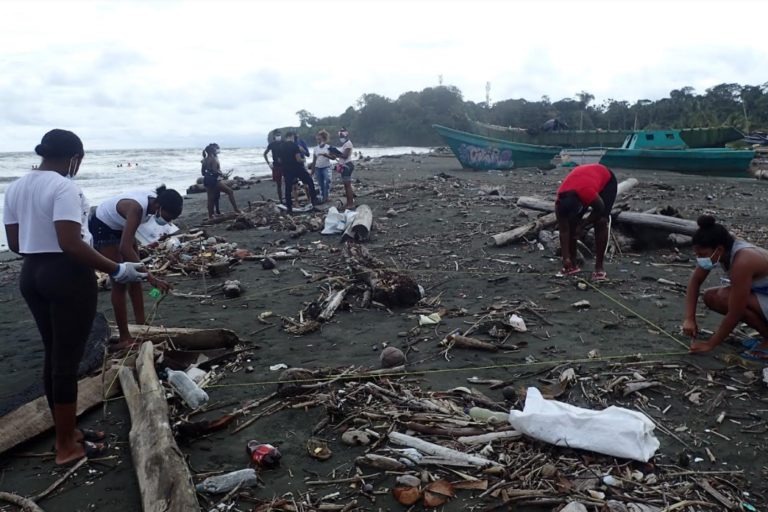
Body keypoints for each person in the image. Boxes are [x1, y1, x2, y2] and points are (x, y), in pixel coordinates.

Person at [3, 129, 158, 465]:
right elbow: (71, 243)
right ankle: (65, 447)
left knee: (55, 353)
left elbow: (14, 244)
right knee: (66, 359)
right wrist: (117, 270)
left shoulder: (15, 186)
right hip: (66, 276)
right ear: (75, 157)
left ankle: (68, 431)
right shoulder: (64, 187)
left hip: (31, 274)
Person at [89, 185, 183, 349]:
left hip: (121, 225)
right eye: (168, 217)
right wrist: (151, 278)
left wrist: (145, 274)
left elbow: (131, 241)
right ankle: (124, 337)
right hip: (102, 226)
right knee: (120, 280)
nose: (167, 222)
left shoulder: (155, 201)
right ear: (159, 207)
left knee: (136, 277)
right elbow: (124, 248)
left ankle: (142, 325)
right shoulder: (137, 209)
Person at [682, 215, 768, 360]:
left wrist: (711, 344)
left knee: (728, 299)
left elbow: (736, 311)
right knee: (711, 297)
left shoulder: (743, 261)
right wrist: (689, 318)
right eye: (697, 254)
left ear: (719, 249)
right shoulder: (723, 250)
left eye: (702, 254)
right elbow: (695, 281)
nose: (699, 258)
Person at [554, 163, 617, 281]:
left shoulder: (586, 193)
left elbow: (600, 209)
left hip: (605, 178)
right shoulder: (559, 204)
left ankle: (599, 268)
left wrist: (583, 225)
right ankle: (571, 264)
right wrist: (565, 257)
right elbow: (564, 231)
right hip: (583, 180)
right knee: (572, 223)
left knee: (601, 221)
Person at [276, 131, 319, 213]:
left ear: (285, 137)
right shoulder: (294, 146)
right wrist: (304, 159)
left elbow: (279, 160)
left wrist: (286, 162)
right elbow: (298, 159)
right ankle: (314, 201)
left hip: (286, 170)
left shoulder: (280, 147)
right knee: (309, 182)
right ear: (291, 137)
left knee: (288, 189)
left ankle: (289, 208)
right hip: (297, 168)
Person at [202, 143, 240, 219]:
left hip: (206, 179)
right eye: (216, 150)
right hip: (213, 180)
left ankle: (210, 216)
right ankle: (236, 209)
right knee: (230, 191)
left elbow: (203, 173)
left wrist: (210, 173)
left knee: (210, 198)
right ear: (213, 151)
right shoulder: (214, 159)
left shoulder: (204, 160)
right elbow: (215, 171)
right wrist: (222, 175)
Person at [326, 128, 355, 209]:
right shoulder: (345, 144)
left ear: (345, 135)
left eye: (342, 135)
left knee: (348, 185)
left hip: (347, 165)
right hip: (345, 165)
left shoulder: (348, 144)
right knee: (346, 186)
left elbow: (345, 156)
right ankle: (349, 202)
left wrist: (336, 153)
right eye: (340, 135)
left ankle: (350, 203)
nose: (340, 137)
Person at [310, 130, 332, 203]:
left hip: (326, 167)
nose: (318, 140)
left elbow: (333, 157)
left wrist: (326, 155)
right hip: (317, 168)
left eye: (319, 138)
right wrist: (312, 171)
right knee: (320, 184)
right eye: (317, 139)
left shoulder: (328, 147)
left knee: (327, 180)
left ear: (324, 138)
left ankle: (326, 196)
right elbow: (314, 160)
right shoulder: (315, 148)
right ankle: (323, 197)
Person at [263, 130, 285, 204]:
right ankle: (281, 200)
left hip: (285, 165)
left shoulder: (284, 143)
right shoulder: (271, 145)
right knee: (278, 184)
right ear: (274, 137)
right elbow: (265, 154)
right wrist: (268, 163)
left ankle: (288, 198)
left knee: (289, 182)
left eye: (279, 134)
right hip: (276, 165)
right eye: (277, 135)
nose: (278, 136)